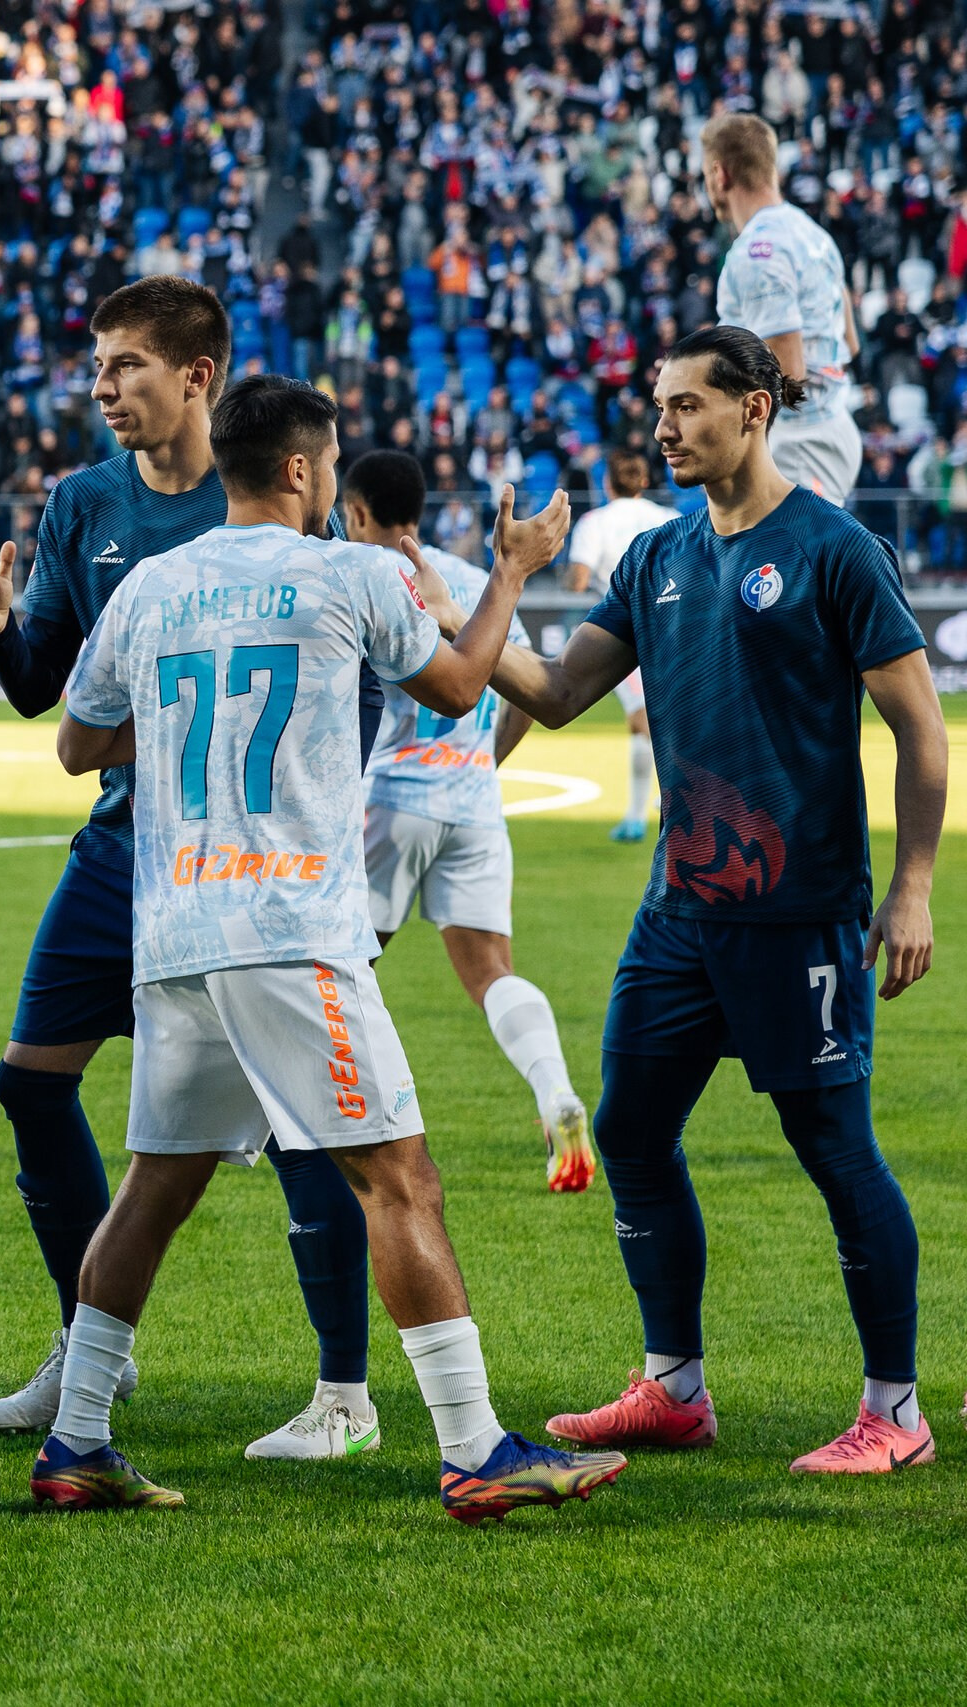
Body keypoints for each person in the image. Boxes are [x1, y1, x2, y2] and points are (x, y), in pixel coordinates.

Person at [32, 373, 622, 1524]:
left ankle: (78, 1440)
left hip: (175, 932)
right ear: (303, 469)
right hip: (289, 930)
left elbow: (76, 743)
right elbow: (456, 688)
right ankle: (473, 1450)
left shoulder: (155, 584)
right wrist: (507, 573)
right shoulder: (347, 574)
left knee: (156, 1186)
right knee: (398, 1178)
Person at [472, 326, 948, 1475]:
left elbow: (921, 729)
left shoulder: (836, 551)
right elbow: (558, 688)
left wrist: (914, 886)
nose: (664, 426)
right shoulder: (655, 559)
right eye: (658, 406)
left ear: (757, 406)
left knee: (833, 1147)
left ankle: (897, 1410)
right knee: (631, 1130)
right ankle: (673, 1388)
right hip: (676, 916)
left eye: (687, 406)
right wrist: (487, 592)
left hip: (804, 917)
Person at [0, 278, 390, 1459]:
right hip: (122, 852)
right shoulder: (80, 505)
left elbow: (344, 679)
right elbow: (50, 688)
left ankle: (341, 1389)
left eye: (127, 367)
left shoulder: (273, 503)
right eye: (97, 370)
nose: (103, 391)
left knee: (312, 1125)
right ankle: (88, 1345)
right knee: (30, 1081)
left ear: (197, 378)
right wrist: (0, 630)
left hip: (252, 866)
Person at [345, 449, 599, 1192]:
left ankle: (294, 1120)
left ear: (356, 512)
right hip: (473, 803)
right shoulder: (471, 581)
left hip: (390, 801)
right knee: (493, 973)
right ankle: (554, 1092)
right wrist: (487, 758)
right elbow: (528, 687)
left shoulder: (362, 580)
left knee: (340, 965)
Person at [704, 113, 863, 506]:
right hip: (829, 427)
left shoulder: (758, 252)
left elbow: (787, 372)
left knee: (790, 567)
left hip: (797, 443)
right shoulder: (814, 235)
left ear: (719, 174)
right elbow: (850, 343)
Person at [566, 452, 676, 843]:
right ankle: (669, 801)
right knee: (668, 718)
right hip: (673, 625)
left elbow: (577, 580)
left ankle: (636, 815)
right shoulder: (668, 519)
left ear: (607, 483)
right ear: (644, 482)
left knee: (640, 720)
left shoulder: (595, 523)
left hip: (623, 630)